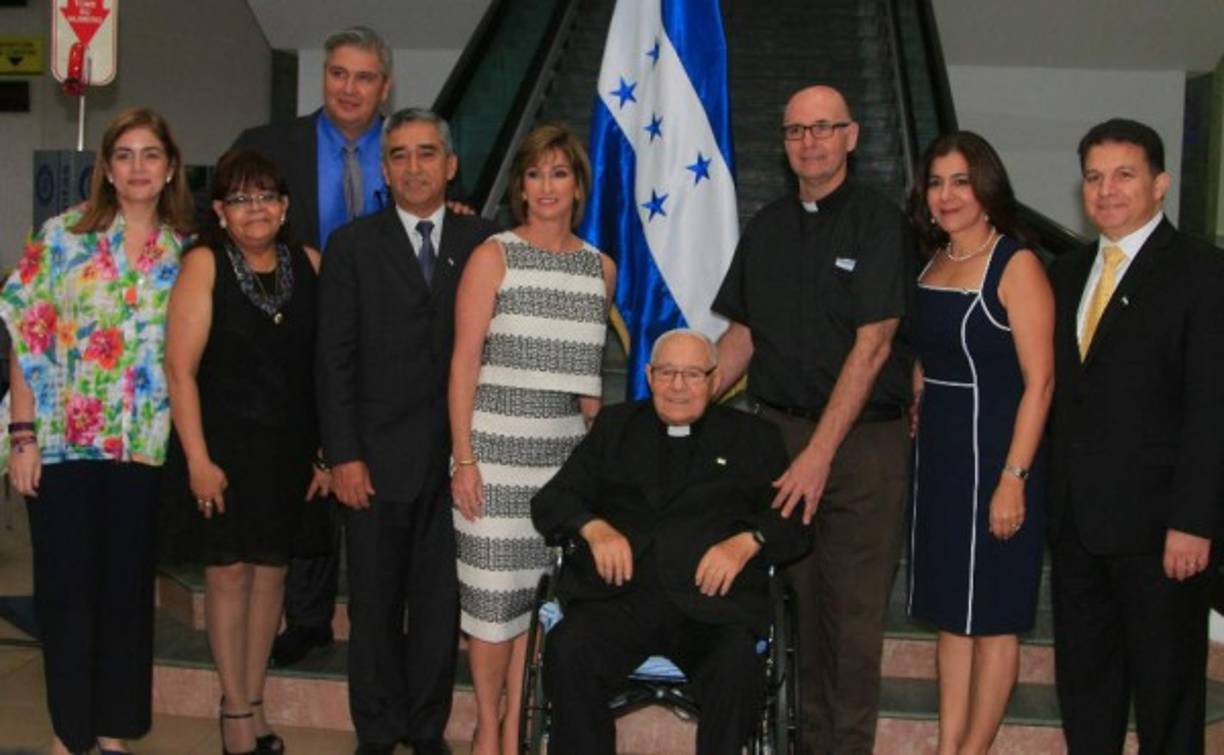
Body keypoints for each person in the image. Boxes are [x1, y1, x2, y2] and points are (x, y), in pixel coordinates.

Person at [711, 84, 916, 753]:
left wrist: (820, 453)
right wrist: (682, 397)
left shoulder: (880, 224)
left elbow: (874, 345)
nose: (810, 142)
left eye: (824, 127)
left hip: (860, 448)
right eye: (797, 130)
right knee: (793, 613)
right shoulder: (767, 226)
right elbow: (742, 337)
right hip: (780, 440)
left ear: (851, 137)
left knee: (851, 622)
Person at [0, 107, 193, 755]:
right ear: (106, 168)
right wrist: (22, 434)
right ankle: (69, 734)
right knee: (66, 593)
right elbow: (27, 336)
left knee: (125, 595)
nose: (138, 167)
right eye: (125, 155)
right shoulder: (63, 236)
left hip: (144, 448)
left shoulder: (186, 252)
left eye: (150, 155)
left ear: (170, 168)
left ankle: (112, 730)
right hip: (61, 444)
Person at [531, 328, 811, 754]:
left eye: (693, 374)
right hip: (618, 602)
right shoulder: (615, 426)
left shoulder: (755, 437)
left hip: (712, 611)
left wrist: (749, 541)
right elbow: (551, 500)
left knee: (738, 664)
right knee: (568, 649)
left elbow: (796, 523)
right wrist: (593, 527)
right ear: (649, 376)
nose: (678, 386)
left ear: (715, 380)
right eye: (667, 372)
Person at [316, 107, 498, 755]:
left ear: (450, 165)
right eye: (399, 155)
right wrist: (343, 455)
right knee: (373, 605)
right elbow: (333, 360)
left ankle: (425, 728)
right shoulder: (351, 246)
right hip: (374, 461)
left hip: (458, 463)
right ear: (384, 169)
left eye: (426, 153)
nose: (413, 167)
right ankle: (376, 729)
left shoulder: (486, 242)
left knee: (439, 607)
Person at [1048, 118, 1224, 754]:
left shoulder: (1204, 273)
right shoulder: (1065, 273)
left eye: (1124, 174)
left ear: (1160, 184)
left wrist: (1194, 522)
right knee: (1085, 694)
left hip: (1162, 535)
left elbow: (1213, 408)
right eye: (1094, 177)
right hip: (1076, 528)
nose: (1106, 190)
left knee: (1167, 701)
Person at [448, 122, 615, 755]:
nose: (547, 186)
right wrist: (464, 460)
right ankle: (488, 729)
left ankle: (516, 729)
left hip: (562, 465)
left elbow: (590, 384)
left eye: (559, 173)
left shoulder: (600, 268)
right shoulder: (493, 256)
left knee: (537, 607)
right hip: (491, 457)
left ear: (578, 186)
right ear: (520, 186)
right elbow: (463, 363)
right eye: (535, 174)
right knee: (492, 606)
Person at [233, 25, 393, 667]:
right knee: (306, 470)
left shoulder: (409, 150)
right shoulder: (267, 144)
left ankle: (382, 611)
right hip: (291, 330)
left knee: (367, 464)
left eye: (364, 77)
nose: (349, 88)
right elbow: (225, 221)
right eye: (338, 73)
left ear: (385, 88)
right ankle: (307, 616)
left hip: (384, 337)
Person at [165, 148, 331, 755]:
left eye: (265, 196)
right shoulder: (203, 264)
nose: (254, 208)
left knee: (272, 575)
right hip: (221, 451)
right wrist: (198, 461)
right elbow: (179, 372)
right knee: (230, 574)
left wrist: (323, 454)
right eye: (239, 198)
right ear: (219, 211)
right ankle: (234, 708)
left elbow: (325, 370)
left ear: (284, 206)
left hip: (289, 451)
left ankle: (255, 699)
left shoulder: (309, 263)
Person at [905, 131, 1054, 754]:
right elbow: (928, 350)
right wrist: (919, 388)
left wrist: (1013, 479)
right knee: (951, 617)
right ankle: (949, 747)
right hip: (940, 459)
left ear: (987, 187)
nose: (947, 195)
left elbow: (1041, 382)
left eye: (961, 182)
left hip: (996, 455)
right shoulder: (932, 260)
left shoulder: (1015, 264)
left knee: (993, 620)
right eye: (937, 183)